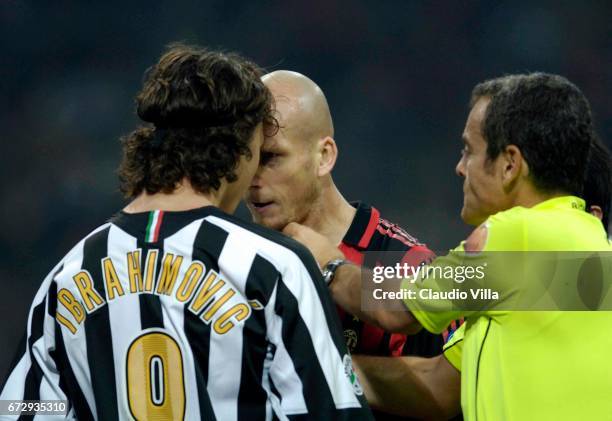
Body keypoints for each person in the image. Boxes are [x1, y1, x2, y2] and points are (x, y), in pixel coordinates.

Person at [0, 44, 372, 420]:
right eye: (261, 154)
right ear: (241, 149)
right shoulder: (273, 268)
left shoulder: (66, 277)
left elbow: (20, 408)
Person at [284, 73, 612, 420]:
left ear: (510, 164)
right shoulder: (592, 246)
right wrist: (326, 363)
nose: (459, 168)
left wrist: (331, 265)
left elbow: (397, 309)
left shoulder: (514, 237)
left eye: (469, 150)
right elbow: (439, 388)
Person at [246, 70, 457, 420]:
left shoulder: (403, 262)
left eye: (270, 158)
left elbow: (442, 391)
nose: (253, 180)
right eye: (247, 158)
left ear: (324, 156)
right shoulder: (237, 260)